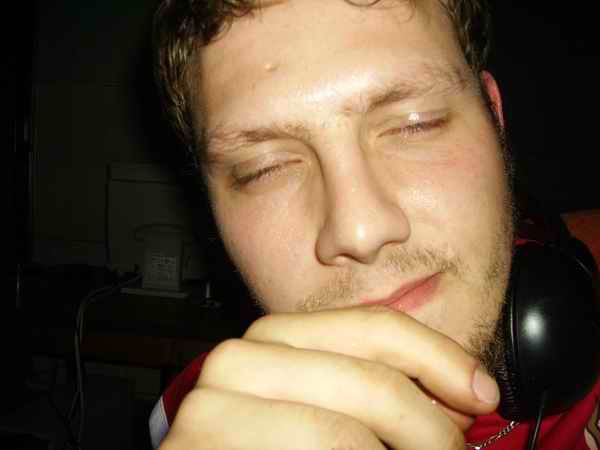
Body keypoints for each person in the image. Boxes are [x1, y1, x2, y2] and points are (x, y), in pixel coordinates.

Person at [149, 0, 600, 448]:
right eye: (263, 169)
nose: (359, 232)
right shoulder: (193, 419)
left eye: (415, 124)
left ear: (495, 119)